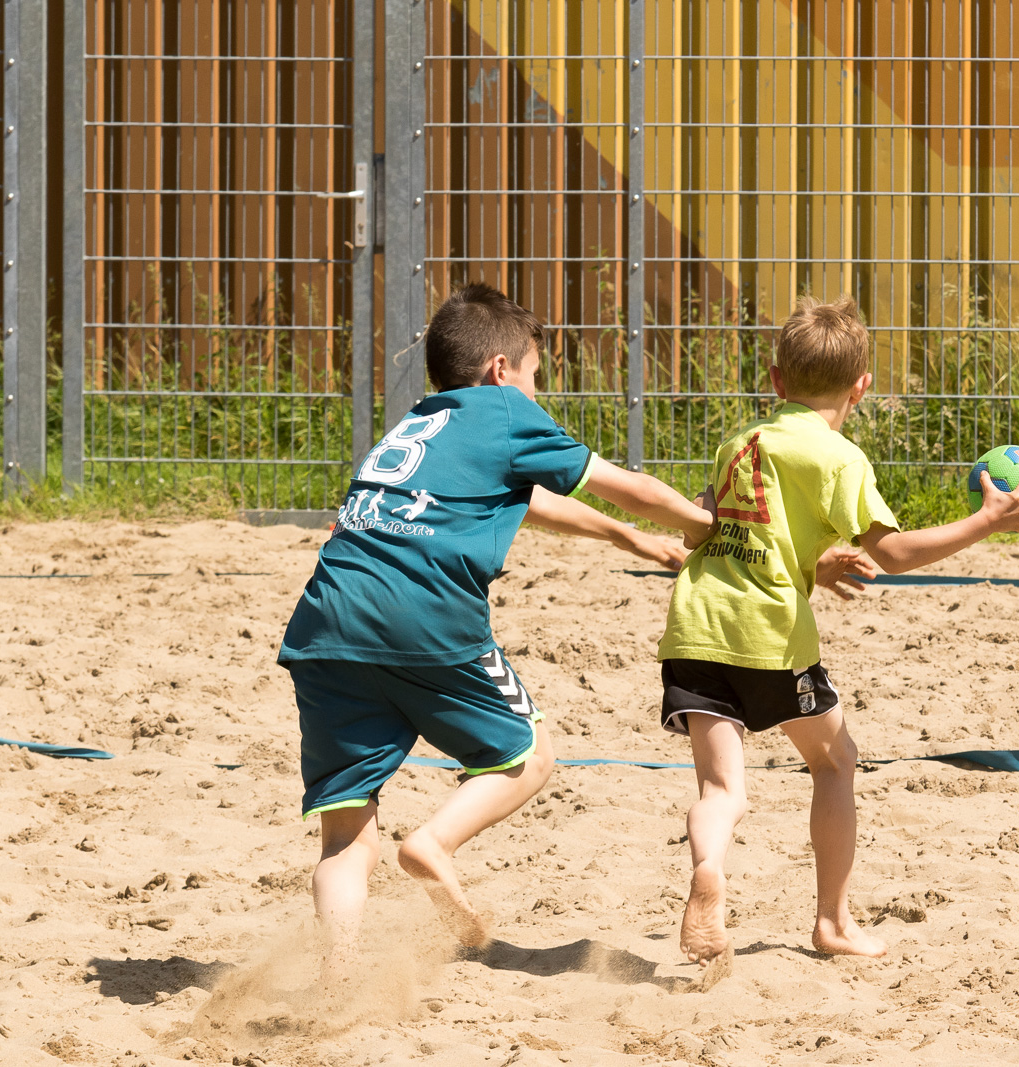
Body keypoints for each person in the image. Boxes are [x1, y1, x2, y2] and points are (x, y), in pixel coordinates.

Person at [277, 282, 714, 974]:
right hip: (423, 611)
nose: (538, 390)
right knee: (528, 753)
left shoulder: (420, 427)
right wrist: (701, 525)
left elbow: (527, 500)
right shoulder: (504, 411)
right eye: (536, 374)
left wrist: (634, 543)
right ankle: (434, 842)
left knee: (344, 835)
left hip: (327, 620)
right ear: (501, 371)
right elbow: (622, 482)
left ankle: (338, 975)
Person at [657, 295, 1019, 968]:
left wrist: (812, 558)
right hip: (769, 637)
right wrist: (988, 521)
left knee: (720, 791)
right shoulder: (838, 458)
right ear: (862, 386)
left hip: (694, 627)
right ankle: (833, 922)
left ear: (775, 380)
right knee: (836, 760)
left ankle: (709, 869)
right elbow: (891, 554)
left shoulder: (740, 442)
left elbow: (726, 526)